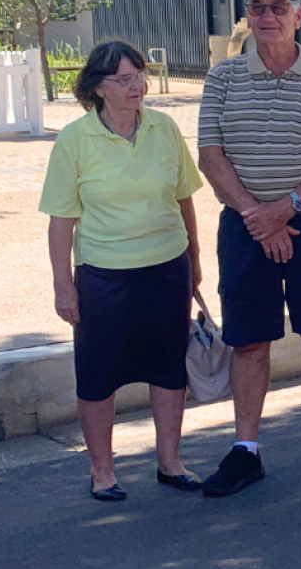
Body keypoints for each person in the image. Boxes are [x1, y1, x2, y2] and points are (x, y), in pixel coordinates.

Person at [198, 0, 301, 496]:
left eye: (277, 6)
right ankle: (246, 450)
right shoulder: (221, 79)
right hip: (245, 226)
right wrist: (256, 215)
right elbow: (211, 156)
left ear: (298, 16)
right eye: (256, 6)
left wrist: (285, 210)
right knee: (249, 340)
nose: (266, 15)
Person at [40, 40, 204, 502]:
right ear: (97, 87)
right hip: (104, 275)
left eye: (140, 77)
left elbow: (184, 199)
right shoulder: (74, 139)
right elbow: (60, 221)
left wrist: (194, 262)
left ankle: (170, 462)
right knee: (98, 375)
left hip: (166, 267)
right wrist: (63, 286)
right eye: (124, 79)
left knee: (169, 369)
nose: (137, 87)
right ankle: (102, 471)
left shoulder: (165, 128)